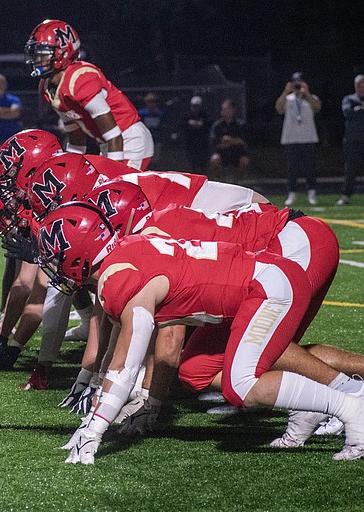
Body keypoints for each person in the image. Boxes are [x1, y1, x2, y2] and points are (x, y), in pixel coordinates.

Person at [37, 203, 364, 464]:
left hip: (268, 284)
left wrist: (94, 429)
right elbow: (121, 357)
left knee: (241, 383)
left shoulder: (121, 279)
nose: (53, 267)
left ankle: (352, 406)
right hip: (260, 278)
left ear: (78, 252)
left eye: (55, 257)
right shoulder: (127, 253)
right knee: (196, 370)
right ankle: (312, 408)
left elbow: (128, 365)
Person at [25, 19, 154, 170]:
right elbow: (76, 138)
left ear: (63, 52)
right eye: (35, 54)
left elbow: (114, 135)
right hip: (108, 143)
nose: (37, 59)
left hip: (128, 139)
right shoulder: (47, 87)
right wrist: (68, 169)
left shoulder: (79, 79)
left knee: (117, 191)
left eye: (42, 54)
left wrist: (112, 175)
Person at [277, 72, 321, 206]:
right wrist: (286, 92)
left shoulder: (311, 98)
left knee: (310, 168)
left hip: (308, 138)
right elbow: (279, 108)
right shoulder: (288, 99)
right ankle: (291, 193)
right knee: (292, 169)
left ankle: (312, 192)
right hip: (291, 138)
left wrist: (306, 93)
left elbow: (317, 107)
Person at [337, 75, 364, 206]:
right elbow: (348, 112)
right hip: (353, 140)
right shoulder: (349, 99)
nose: (362, 87)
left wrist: (358, 110)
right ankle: (346, 195)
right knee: (351, 169)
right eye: (359, 84)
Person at [209, 98, 249, 182]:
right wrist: (226, 143)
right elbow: (214, 142)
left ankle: (238, 182)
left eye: (226, 109)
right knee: (215, 159)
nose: (223, 112)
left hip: (237, 153)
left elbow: (243, 141)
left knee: (244, 161)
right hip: (222, 154)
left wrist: (230, 140)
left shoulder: (240, 125)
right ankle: (220, 181)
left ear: (232, 110)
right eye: (223, 110)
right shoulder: (217, 126)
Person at [177, 95, 211, 174]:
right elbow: (180, 124)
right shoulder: (186, 115)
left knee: (202, 164)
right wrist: (189, 123)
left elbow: (208, 124)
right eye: (194, 106)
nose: (195, 108)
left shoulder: (204, 115)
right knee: (191, 164)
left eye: (197, 106)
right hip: (189, 144)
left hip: (202, 144)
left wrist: (202, 124)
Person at [138, 92, 165, 164]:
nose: (151, 104)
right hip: (144, 140)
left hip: (156, 139)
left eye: (153, 102)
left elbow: (162, 126)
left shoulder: (160, 114)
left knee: (155, 159)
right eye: (149, 102)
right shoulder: (141, 113)